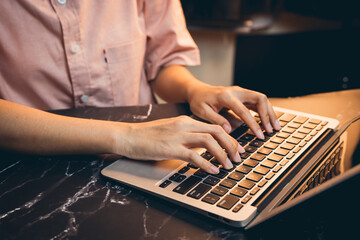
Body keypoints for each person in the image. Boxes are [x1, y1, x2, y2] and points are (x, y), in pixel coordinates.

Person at [0, 0, 280, 174]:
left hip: (143, 158)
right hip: (33, 170)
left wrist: (194, 90)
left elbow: (160, 63)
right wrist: (128, 136)